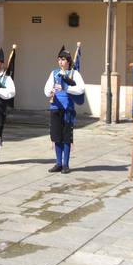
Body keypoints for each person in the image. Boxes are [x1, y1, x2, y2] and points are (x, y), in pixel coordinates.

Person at [44, 45, 85, 174]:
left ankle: (66, 164)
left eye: (63, 59)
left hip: (67, 109)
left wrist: (66, 89)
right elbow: (46, 89)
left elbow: (81, 89)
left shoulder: (74, 73)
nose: (60, 62)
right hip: (55, 107)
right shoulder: (54, 73)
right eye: (59, 59)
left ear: (68, 61)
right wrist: (50, 91)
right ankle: (58, 163)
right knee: (56, 136)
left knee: (66, 137)